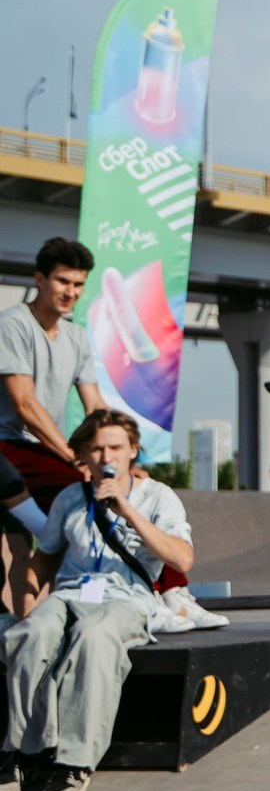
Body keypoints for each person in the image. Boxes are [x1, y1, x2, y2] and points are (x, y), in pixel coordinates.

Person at [2, 408, 191, 791]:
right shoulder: (70, 498)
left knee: (94, 636)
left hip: (126, 597)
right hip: (71, 594)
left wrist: (128, 511)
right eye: (97, 449)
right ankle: (21, 752)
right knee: (31, 634)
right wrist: (28, 605)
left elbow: (182, 558)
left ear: (133, 451)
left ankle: (74, 760)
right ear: (83, 456)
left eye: (116, 448)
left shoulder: (158, 497)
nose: (107, 457)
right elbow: (44, 557)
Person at [1, 238, 106, 617]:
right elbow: (25, 404)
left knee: (30, 542)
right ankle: (64, 614)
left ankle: (67, 614)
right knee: (81, 504)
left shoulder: (76, 336)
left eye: (78, 284)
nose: (71, 292)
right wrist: (73, 457)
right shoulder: (13, 324)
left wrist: (117, 458)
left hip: (42, 450)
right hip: (9, 445)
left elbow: (95, 407)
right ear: (40, 279)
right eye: (63, 281)